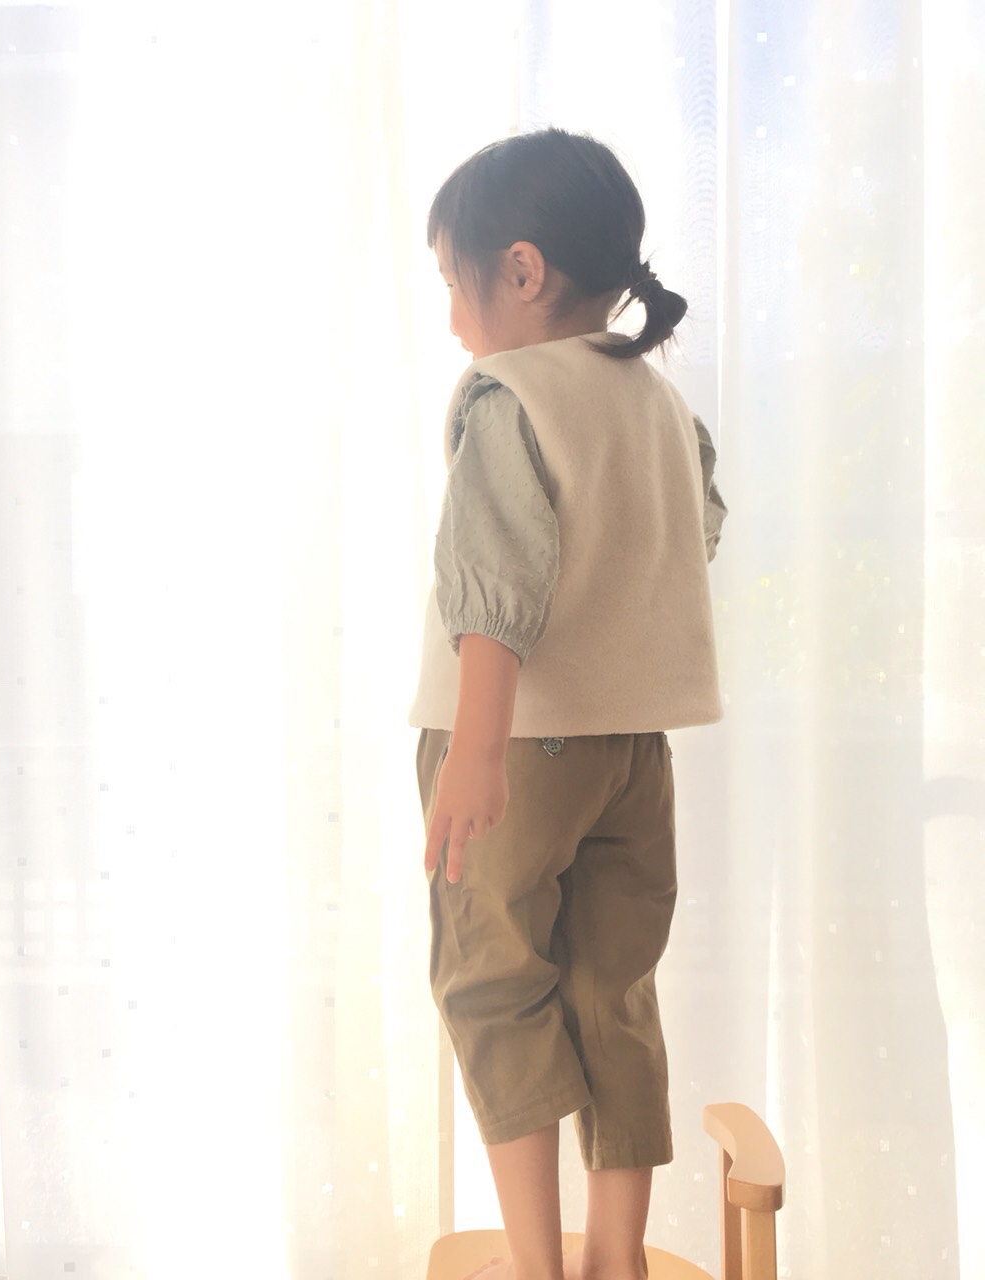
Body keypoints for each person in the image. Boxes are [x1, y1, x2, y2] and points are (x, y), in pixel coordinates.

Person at [409, 128, 727, 1280]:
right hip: (632, 754)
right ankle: (615, 1253)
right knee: (612, 990)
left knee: (495, 985)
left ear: (522, 270)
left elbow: (491, 587)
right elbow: (692, 536)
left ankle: (540, 1264)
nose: (454, 318)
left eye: (455, 283)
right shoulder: (658, 403)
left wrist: (475, 750)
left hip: (511, 745)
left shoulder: (511, 396)